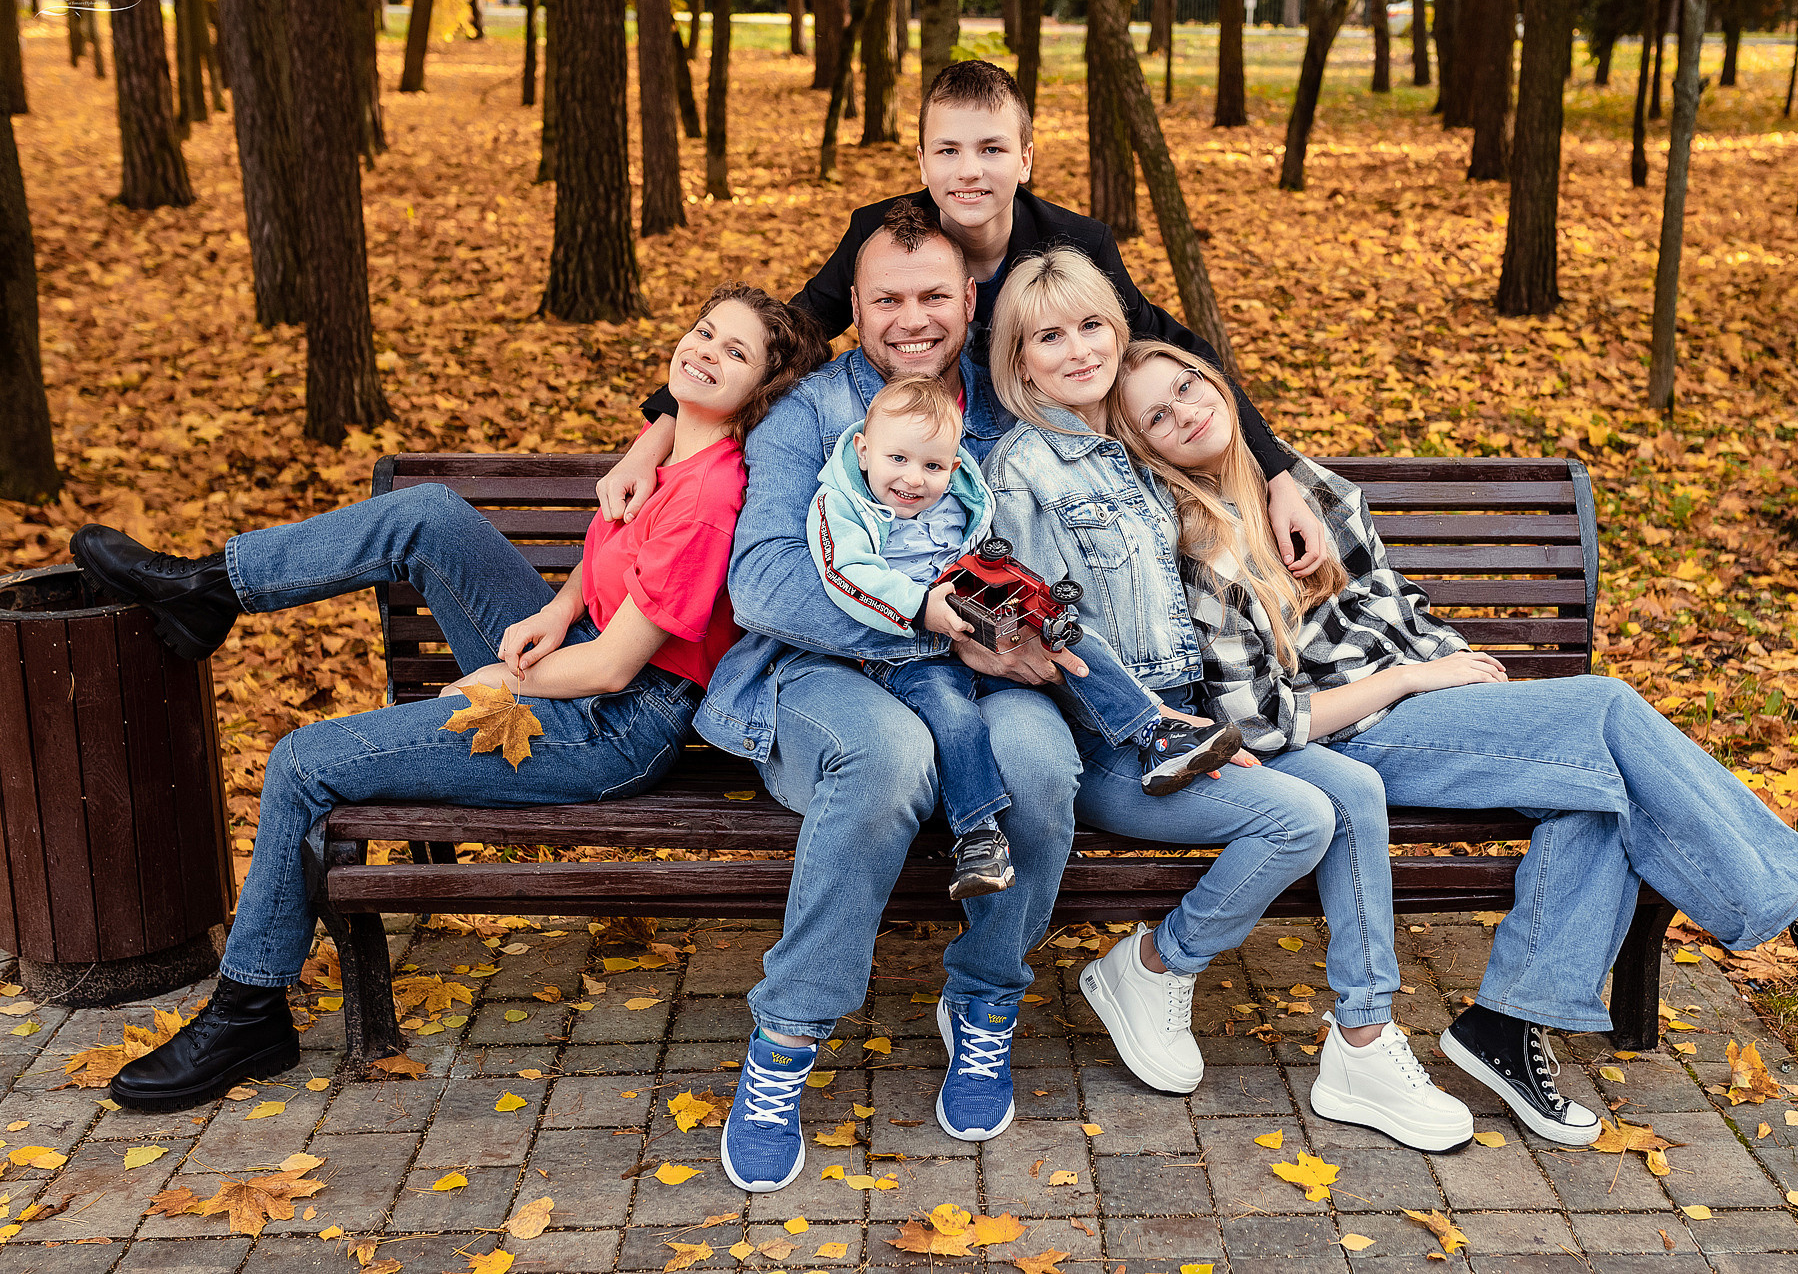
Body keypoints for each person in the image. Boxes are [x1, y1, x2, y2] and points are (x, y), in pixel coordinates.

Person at [1108, 338, 1798, 1148]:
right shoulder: (1194, 547)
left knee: (1600, 795)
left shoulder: (1315, 491)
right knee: (1605, 709)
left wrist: (1447, 658)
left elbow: (1400, 607)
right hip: (1353, 738)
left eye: (1187, 384)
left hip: (1434, 712)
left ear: (1215, 381)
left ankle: (1506, 1021)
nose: (1184, 409)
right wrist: (1414, 680)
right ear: (1148, 448)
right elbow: (1261, 720)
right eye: (1157, 415)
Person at [64, 286, 829, 1113]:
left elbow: (614, 668)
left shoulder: (710, 499)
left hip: (607, 726)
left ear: (757, 395)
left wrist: (506, 678)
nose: (707, 350)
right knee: (427, 513)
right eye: (705, 329)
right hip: (569, 657)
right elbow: (611, 572)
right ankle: (210, 586)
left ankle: (248, 1013)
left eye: (735, 353)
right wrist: (555, 606)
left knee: (301, 761)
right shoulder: (669, 445)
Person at [979, 247, 1477, 1152]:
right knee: (1297, 818)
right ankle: (1154, 964)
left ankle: (1364, 1037)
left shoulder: (1133, 448)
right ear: (1019, 362)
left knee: (1355, 793)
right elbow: (1050, 626)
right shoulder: (1026, 471)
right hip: (1119, 742)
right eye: (1050, 336)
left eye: (1094, 324)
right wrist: (1176, 730)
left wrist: (1282, 475)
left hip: (1202, 717)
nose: (1080, 348)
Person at [591, 59, 1333, 580]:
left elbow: (1176, 349)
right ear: (922, 159)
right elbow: (790, 332)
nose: (969, 171)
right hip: (919, 474)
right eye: (948, 150)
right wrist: (656, 434)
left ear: (1026, 159)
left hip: (1043, 476)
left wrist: (1278, 473)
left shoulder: (1074, 244)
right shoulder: (887, 236)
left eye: (991, 149)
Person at [703, 204, 1089, 1194]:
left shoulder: (1009, 406)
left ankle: (982, 997)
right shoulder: (807, 415)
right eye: (885, 298)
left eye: (931, 295)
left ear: (968, 300)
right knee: (886, 758)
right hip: (827, 672)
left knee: (1040, 766)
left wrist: (1014, 635)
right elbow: (766, 584)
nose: (909, 317)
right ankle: (784, 1041)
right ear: (855, 306)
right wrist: (941, 625)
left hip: (981, 671)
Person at [809, 371, 1245, 898]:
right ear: (862, 450)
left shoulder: (960, 497)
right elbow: (846, 573)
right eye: (897, 459)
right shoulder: (843, 505)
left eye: (933, 466)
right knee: (953, 719)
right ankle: (977, 836)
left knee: (1066, 640)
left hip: (974, 608)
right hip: (909, 650)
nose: (913, 479)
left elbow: (980, 546)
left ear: (953, 464)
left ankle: (1153, 733)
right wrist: (921, 607)